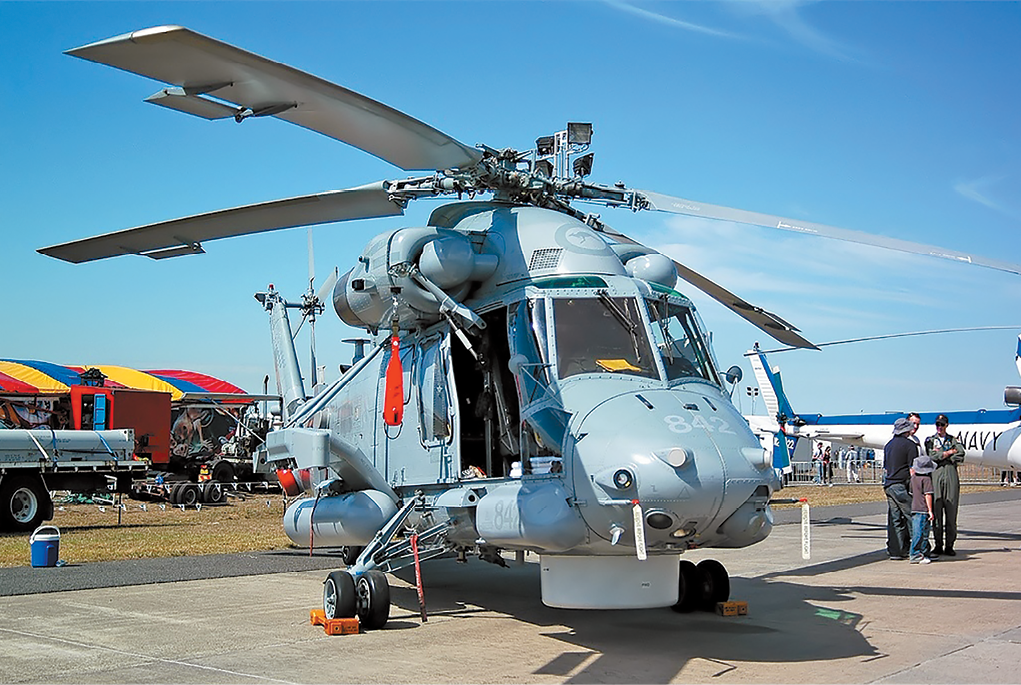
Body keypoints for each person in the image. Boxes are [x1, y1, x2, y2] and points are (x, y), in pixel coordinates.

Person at [926, 414, 965, 556]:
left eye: (942, 425)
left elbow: (960, 454)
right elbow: (933, 456)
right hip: (937, 474)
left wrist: (943, 455)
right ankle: (938, 544)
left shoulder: (953, 440)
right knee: (936, 511)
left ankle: (949, 545)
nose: (939, 427)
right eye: (937, 424)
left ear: (946, 425)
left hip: (950, 475)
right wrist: (949, 453)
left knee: (951, 510)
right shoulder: (931, 440)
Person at [884, 417, 916, 560]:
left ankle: (896, 549)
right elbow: (913, 468)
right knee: (912, 516)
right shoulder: (910, 445)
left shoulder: (889, 445)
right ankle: (918, 547)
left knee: (894, 518)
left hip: (889, 484)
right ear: (907, 430)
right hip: (901, 485)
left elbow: (886, 467)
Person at [909, 453, 936, 564]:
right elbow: (928, 495)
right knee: (921, 533)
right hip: (923, 508)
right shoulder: (927, 479)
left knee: (919, 532)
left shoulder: (913, 478)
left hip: (914, 507)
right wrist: (930, 510)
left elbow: (911, 492)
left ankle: (924, 552)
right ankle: (915, 554)